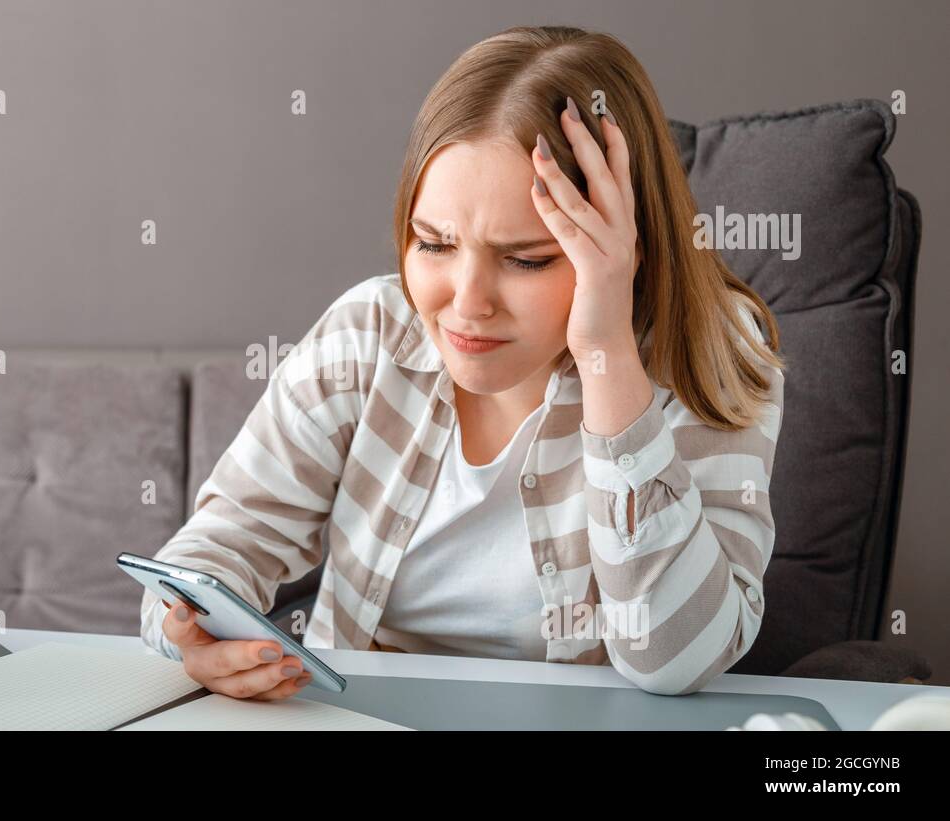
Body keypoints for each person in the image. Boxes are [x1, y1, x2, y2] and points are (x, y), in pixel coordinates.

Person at [140, 24, 785, 701]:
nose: (466, 303)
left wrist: (606, 355)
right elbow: (212, 551)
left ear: (628, 245)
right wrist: (194, 637)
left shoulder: (714, 353)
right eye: (434, 243)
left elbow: (675, 657)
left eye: (526, 258)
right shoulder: (369, 334)